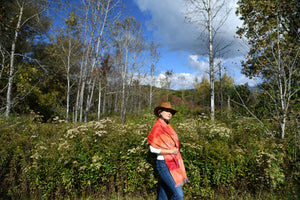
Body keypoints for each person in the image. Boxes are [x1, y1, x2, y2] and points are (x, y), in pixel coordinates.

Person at [147, 101, 188, 200]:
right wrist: (170, 152)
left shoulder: (168, 127)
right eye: (167, 111)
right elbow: (152, 149)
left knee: (164, 192)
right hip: (163, 164)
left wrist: (174, 151)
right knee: (178, 194)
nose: (170, 113)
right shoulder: (158, 127)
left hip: (172, 162)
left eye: (171, 112)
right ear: (160, 112)